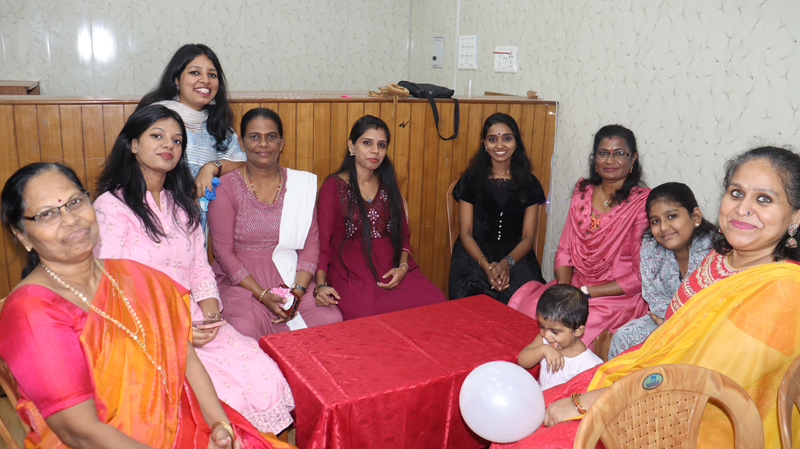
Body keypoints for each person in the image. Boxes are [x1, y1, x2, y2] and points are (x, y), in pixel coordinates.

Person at [491, 147, 800, 449]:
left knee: (533, 437)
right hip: (654, 376)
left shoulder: (782, 290)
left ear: (795, 217)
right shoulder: (719, 259)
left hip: (700, 420)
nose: (743, 208)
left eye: (764, 198)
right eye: (736, 193)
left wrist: (591, 401)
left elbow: (708, 380)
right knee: (526, 415)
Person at [0, 163, 289, 449]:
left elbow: (186, 356)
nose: (70, 219)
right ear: (22, 234)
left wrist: (220, 426)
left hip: (183, 425)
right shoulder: (30, 311)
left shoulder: (137, 278)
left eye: (75, 202)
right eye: (47, 214)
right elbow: (81, 432)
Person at [93, 105, 295, 435]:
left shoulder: (181, 205)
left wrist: (211, 315)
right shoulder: (111, 207)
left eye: (177, 140)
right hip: (140, 329)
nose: (168, 145)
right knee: (223, 397)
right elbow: (111, 287)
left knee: (264, 373)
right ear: (133, 144)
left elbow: (199, 268)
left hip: (195, 319)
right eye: (157, 136)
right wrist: (179, 330)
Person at [508, 125, 650, 346]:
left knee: (568, 327)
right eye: (603, 153)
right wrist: (564, 290)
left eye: (619, 153)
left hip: (614, 295)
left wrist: (584, 293)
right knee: (532, 310)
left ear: (633, 158)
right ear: (595, 158)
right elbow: (564, 250)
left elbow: (639, 276)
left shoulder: (643, 203)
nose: (610, 160)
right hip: (574, 284)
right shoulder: (583, 192)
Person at [208, 108, 343, 338]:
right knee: (245, 330)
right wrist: (262, 295)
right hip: (242, 284)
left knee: (329, 320)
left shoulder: (299, 186)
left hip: (292, 277)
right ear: (241, 143)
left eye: (271, 136)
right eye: (254, 137)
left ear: (281, 143)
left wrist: (297, 293)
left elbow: (311, 246)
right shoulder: (226, 188)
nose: (263, 144)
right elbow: (223, 254)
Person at [315, 115, 446, 320]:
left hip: (393, 268)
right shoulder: (332, 187)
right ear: (351, 146)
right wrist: (321, 285)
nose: (375, 150)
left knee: (436, 301)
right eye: (367, 143)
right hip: (350, 272)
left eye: (381, 145)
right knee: (366, 314)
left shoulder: (387, 182)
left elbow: (403, 236)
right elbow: (322, 244)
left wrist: (402, 268)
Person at [137, 43, 244, 229]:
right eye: (195, 72)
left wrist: (211, 167)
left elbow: (242, 161)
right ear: (176, 79)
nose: (205, 80)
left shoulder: (217, 126)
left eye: (212, 75)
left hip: (198, 225)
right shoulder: (155, 118)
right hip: (153, 217)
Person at [607, 182, 715, 358]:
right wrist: (668, 324)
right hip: (664, 319)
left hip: (707, 328)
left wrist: (677, 329)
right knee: (624, 337)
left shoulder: (716, 251)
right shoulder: (651, 246)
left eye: (671, 216)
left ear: (695, 216)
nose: (663, 227)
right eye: (655, 221)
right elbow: (653, 295)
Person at [448, 113, 546, 304]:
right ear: (485, 144)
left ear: (516, 142)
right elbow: (466, 232)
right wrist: (486, 265)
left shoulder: (530, 184)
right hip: (474, 254)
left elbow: (528, 237)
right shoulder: (470, 181)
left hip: (517, 255)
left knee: (527, 302)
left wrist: (506, 263)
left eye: (507, 138)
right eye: (492, 139)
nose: (499, 145)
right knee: (472, 302)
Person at [517, 284, 602, 390]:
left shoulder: (588, 365)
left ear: (577, 331)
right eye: (542, 327)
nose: (546, 335)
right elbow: (522, 361)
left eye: (554, 332)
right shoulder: (545, 341)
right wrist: (543, 350)